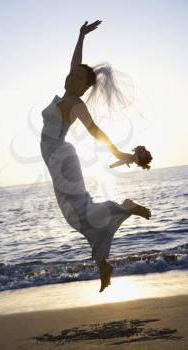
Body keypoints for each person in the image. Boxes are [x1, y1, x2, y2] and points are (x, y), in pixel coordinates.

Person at [40, 20, 151, 292]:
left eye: (78, 78)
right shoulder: (67, 94)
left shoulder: (75, 104)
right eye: (71, 75)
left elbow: (96, 131)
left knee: (80, 213)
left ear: (84, 88)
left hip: (62, 160)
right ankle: (103, 264)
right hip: (57, 160)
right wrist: (80, 36)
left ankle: (124, 208)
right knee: (77, 214)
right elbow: (75, 65)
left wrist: (119, 152)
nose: (72, 77)